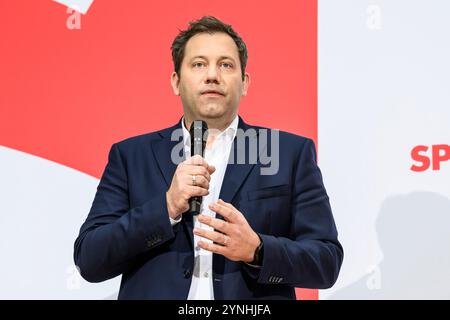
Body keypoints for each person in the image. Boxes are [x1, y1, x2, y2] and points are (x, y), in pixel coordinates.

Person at [73, 16, 343, 300]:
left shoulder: (288, 152)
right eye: (199, 64)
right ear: (176, 82)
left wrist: (258, 250)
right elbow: (89, 259)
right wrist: (166, 207)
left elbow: (326, 262)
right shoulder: (130, 156)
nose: (212, 75)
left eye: (226, 65)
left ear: (245, 82)